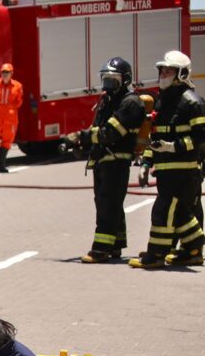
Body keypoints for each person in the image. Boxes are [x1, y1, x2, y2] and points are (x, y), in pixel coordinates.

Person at [130, 50, 205, 268]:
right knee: (181, 212)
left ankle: (155, 255)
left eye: (169, 70)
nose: (163, 73)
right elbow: (157, 137)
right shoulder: (162, 101)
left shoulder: (192, 103)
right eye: (162, 69)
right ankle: (193, 249)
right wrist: (146, 163)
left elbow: (201, 140)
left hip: (185, 169)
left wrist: (174, 147)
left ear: (182, 74)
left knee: (163, 211)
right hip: (165, 169)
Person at [65, 57, 145, 263]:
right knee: (108, 203)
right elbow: (98, 128)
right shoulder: (108, 100)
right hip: (103, 160)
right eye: (106, 79)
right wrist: (82, 146)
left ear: (125, 79)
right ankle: (116, 244)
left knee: (108, 203)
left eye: (113, 80)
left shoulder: (130, 103)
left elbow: (110, 132)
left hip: (117, 161)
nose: (108, 84)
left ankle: (101, 249)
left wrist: (80, 136)